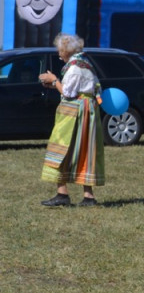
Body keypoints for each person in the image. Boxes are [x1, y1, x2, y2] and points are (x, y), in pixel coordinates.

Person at [38, 33, 104, 207]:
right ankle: (87, 196)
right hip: (87, 112)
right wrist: (54, 84)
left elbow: (68, 92)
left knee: (61, 148)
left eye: (60, 50)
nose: (59, 54)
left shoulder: (74, 67)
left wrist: (53, 80)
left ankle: (63, 194)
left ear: (67, 51)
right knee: (85, 151)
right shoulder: (87, 64)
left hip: (75, 113)